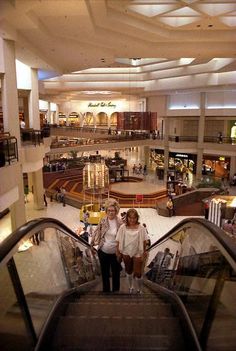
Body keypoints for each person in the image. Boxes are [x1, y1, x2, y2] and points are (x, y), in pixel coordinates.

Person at [90, 198, 123, 293]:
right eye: (109, 210)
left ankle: (116, 292)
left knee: (116, 273)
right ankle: (106, 291)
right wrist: (92, 244)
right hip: (103, 251)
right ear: (106, 211)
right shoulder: (103, 221)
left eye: (113, 210)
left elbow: (123, 238)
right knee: (105, 273)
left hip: (115, 253)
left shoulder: (120, 223)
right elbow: (97, 232)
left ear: (116, 211)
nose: (111, 212)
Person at [116, 208, 147, 294]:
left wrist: (144, 252)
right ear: (127, 218)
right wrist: (118, 252)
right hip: (126, 252)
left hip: (138, 252)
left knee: (138, 273)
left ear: (137, 218)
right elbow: (118, 240)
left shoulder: (141, 228)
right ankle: (131, 286)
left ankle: (139, 289)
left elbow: (144, 241)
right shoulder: (123, 227)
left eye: (134, 218)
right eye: (130, 218)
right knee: (128, 270)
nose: (132, 220)